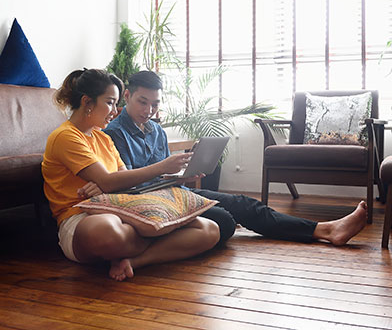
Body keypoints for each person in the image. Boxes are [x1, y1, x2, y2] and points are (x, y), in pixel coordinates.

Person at [104, 70, 368, 247]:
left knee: (244, 204)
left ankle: (324, 229)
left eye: (155, 104)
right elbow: (128, 186)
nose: (149, 110)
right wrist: (165, 170)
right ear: (126, 96)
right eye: (142, 102)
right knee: (226, 220)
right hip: (152, 204)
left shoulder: (157, 130)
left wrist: (185, 174)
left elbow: (163, 177)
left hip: (175, 194)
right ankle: (322, 230)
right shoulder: (113, 134)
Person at [42, 68, 233, 282]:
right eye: (109, 102)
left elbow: (121, 181)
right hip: (79, 217)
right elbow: (107, 180)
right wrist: (159, 167)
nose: (115, 111)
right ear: (87, 102)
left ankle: (134, 261)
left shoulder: (102, 139)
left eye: (115, 103)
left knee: (210, 229)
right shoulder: (65, 136)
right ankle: (164, 234)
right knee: (108, 230)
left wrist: (108, 184)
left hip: (119, 207)